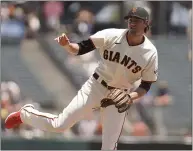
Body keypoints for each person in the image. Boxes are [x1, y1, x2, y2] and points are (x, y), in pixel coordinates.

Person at [5, 7, 158, 150]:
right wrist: (68, 46)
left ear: (146, 23)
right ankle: (26, 114)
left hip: (119, 95)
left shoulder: (150, 53)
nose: (132, 23)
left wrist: (129, 97)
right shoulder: (111, 35)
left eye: (136, 20)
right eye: (130, 19)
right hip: (96, 86)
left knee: (109, 146)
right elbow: (81, 48)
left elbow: (146, 85)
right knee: (60, 125)